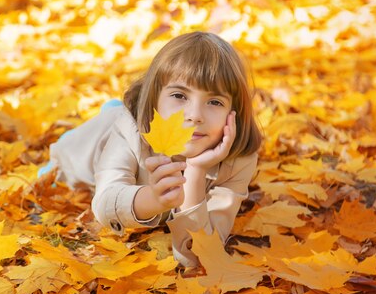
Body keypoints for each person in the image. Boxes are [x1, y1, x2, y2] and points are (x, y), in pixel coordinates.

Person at [42, 31, 262, 267]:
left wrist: (196, 173)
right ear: (154, 98)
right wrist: (154, 199)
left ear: (234, 113)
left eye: (215, 102)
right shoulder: (129, 129)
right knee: (66, 160)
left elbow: (200, 256)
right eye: (179, 95)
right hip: (85, 151)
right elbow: (105, 205)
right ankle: (102, 118)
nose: (195, 115)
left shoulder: (239, 160)